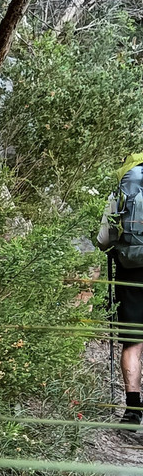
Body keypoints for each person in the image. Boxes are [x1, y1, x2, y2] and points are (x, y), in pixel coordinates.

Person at [98, 152, 143, 424]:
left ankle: (132, 411)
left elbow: (104, 238)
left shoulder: (125, 180)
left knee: (134, 340)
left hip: (131, 269)